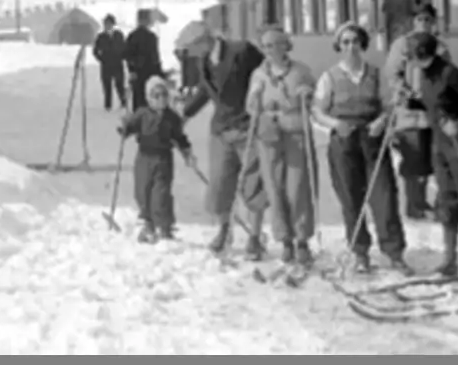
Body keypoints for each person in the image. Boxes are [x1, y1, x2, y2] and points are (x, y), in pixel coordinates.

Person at [312, 21, 410, 275]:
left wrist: (382, 121)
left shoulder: (376, 74)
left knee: (384, 195)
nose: (351, 47)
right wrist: (335, 124)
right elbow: (318, 111)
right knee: (351, 197)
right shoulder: (330, 77)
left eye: (355, 41)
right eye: (345, 42)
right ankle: (360, 252)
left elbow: (389, 105)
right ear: (339, 46)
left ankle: (394, 252)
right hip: (344, 141)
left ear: (363, 44)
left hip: (372, 138)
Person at [400, 31, 458, 282]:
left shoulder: (450, 73)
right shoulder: (425, 74)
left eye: (412, 56)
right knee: (446, 199)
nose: (410, 62)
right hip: (439, 144)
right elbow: (433, 104)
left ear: (422, 54)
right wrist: (412, 103)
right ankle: (450, 260)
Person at [176, 20, 271, 259]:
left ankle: (255, 237)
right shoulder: (204, 61)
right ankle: (224, 231)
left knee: (253, 185)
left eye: (190, 48)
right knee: (220, 184)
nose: (189, 54)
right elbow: (206, 91)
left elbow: (265, 74)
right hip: (221, 130)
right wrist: (184, 115)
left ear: (202, 41)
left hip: (248, 126)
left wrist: (268, 104)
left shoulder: (241, 51)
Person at [245, 26, 318, 265]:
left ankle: (302, 239)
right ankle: (284, 240)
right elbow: (250, 107)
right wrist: (254, 100)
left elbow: (317, 101)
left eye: (273, 45)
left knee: (296, 188)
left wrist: (308, 95)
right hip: (268, 135)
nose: (269, 50)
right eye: (265, 46)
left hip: (295, 132)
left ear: (285, 45)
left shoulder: (301, 71)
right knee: (274, 188)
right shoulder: (258, 74)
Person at [383, 3, 450, 220]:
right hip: (409, 114)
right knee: (413, 159)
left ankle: (439, 205)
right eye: (419, 19)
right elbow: (392, 74)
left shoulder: (440, 48)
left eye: (427, 20)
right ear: (413, 22)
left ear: (434, 22)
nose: (423, 24)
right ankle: (415, 204)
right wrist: (405, 91)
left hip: (433, 114)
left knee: (436, 158)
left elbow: (447, 75)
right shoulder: (402, 45)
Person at [118, 76, 197, 243]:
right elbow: (130, 128)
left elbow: (179, 137)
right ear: (148, 98)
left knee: (160, 194)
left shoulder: (172, 117)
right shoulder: (142, 114)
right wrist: (124, 126)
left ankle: (165, 226)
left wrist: (187, 151)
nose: (161, 99)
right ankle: (148, 225)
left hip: (163, 159)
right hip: (144, 158)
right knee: (142, 192)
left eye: (163, 95)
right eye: (156, 95)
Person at [125, 9, 165, 111]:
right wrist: (160, 73)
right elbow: (155, 58)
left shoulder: (134, 36)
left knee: (140, 100)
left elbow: (128, 55)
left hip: (140, 72)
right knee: (147, 99)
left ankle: (139, 121)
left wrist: (132, 69)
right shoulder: (149, 37)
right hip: (146, 73)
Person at [93, 14, 128, 111]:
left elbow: (125, 47)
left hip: (117, 64)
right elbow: (95, 51)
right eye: (105, 24)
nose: (107, 25)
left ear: (113, 24)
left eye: (109, 24)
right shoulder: (101, 37)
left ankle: (123, 103)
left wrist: (122, 57)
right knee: (107, 86)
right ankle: (108, 105)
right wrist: (102, 58)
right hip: (106, 65)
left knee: (120, 85)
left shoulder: (119, 35)